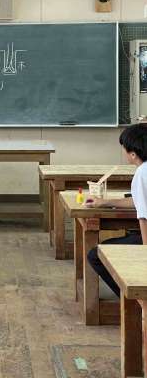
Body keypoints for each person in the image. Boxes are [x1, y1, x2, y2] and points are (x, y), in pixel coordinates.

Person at [86, 123, 147, 297]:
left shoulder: (142, 173)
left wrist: (144, 253)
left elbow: (144, 217)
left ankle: (132, 300)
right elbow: (139, 201)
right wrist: (104, 202)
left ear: (133, 154)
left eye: (124, 149)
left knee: (97, 255)